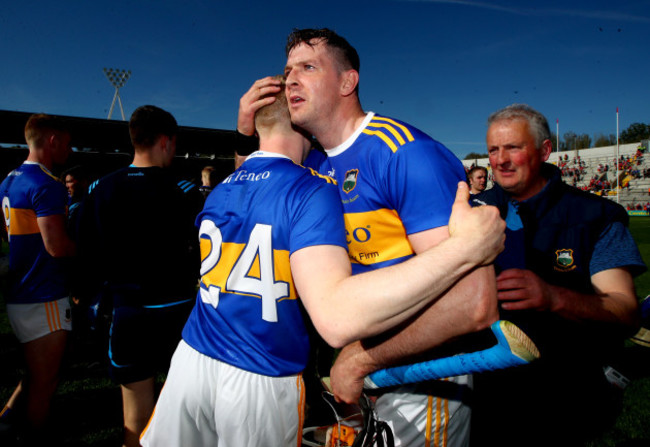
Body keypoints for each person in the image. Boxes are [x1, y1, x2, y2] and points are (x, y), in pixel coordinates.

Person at [140, 77, 505, 447]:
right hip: (270, 366)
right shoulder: (310, 187)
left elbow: (260, 169)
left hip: (197, 352)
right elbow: (334, 317)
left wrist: (244, 131)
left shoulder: (224, 189)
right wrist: (464, 249)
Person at [470, 104, 646, 446]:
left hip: (563, 394)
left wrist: (553, 297)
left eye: (513, 148)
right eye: (493, 149)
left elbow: (626, 311)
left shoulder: (595, 215)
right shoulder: (469, 212)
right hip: (481, 392)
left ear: (545, 150)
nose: (500, 160)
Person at [74, 105, 201, 447]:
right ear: (165, 141)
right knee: (189, 415)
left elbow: (85, 256)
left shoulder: (101, 189)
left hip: (128, 314)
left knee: (135, 420)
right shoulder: (184, 191)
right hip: (180, 314)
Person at [0, 113, 75, 443]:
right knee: (45, 383)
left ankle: (6, 420)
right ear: (53, 140)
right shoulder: (46, 183)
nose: (70, 150)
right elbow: (57, 247)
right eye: (67, 142)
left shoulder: (9, 179)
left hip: (20, 292)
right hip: (42, 294)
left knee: (33, 374)